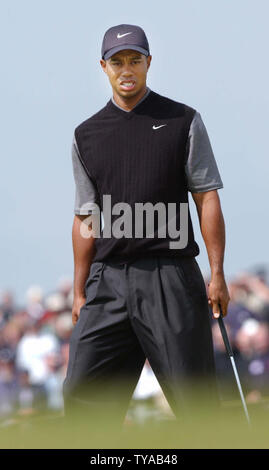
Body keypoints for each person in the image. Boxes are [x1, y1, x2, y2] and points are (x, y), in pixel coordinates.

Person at [62, 24, 230, 428]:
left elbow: (206, 197)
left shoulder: (182, 120)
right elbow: (85, 217)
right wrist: (78, 289)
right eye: (117, 61)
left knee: (194, 400)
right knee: (82, 394)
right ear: (103, 66)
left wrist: (218, 273)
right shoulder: (85, 135)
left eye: (135, 60)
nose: (126, 69)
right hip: (108, 280)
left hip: (169, 275)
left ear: (148, 63)